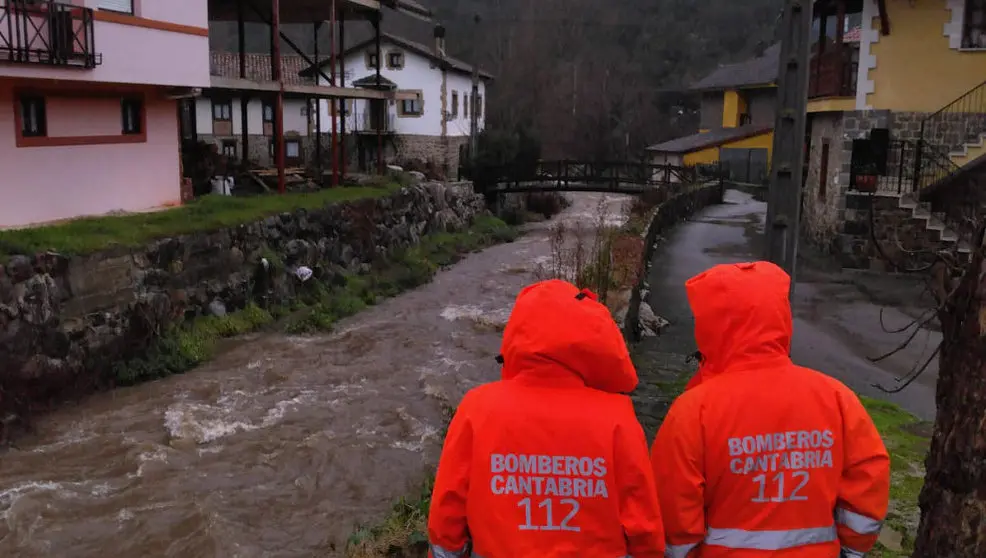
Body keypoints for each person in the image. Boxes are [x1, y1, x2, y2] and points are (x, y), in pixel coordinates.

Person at [651, 261, 890, 558]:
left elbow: (673, 516)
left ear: (711, 325)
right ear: (781, 317)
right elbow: (869, 480)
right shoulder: (837, 399)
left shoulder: (693, 412)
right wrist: (850, 552)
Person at [427, 279, 665, 558]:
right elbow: (643, 524)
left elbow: (447, 516)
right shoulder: (617, 418)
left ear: (517, 335)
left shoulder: (477, 408)